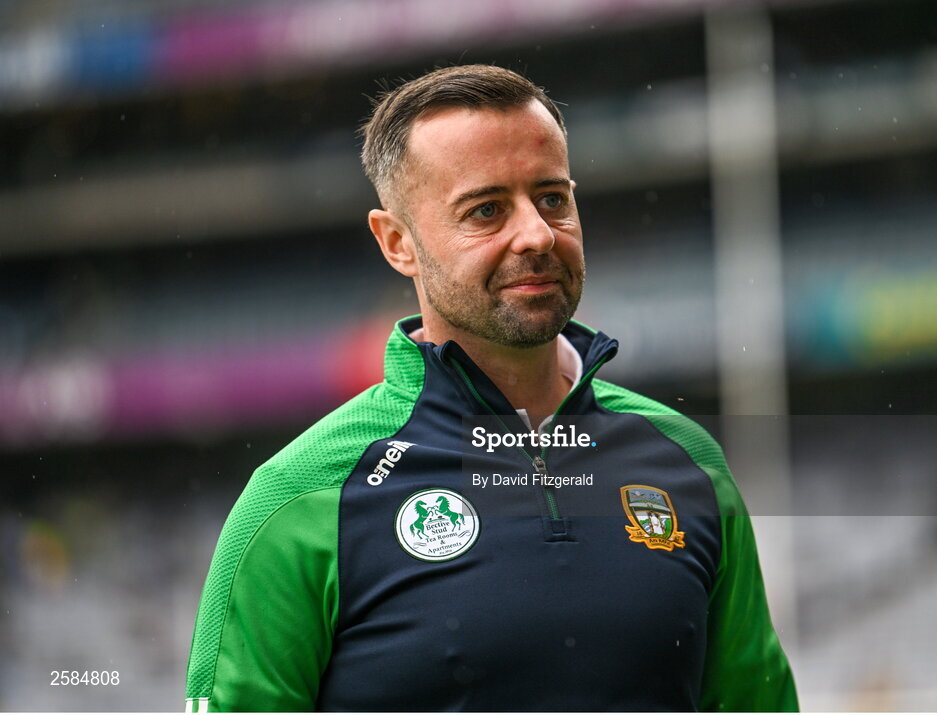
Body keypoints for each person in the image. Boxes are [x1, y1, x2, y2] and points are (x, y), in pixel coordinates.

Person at [185, 64, 797, 712]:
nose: (536, 234)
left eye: (553, 198)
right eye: (486, 210)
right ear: (398, 242)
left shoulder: (688, 462)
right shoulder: (298, 498)